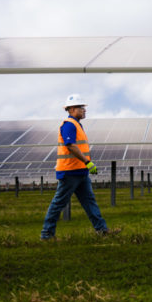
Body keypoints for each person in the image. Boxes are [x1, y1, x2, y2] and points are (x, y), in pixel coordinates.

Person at [40, 94, 120, 239]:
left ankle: (102, 230)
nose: (84, 110)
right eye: (81, 107)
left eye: (83, 107)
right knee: (58, 203)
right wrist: (87, 162)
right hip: (70, 171)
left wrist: (85, 166)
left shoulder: (77, 124)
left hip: (80, 172)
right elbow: (70, 146)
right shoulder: (69, 124)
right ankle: (46, 234)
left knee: (90, 202)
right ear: (71, 109)